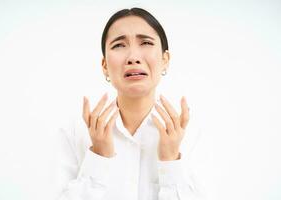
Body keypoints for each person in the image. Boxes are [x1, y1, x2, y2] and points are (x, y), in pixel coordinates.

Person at [56, 7, 207, 200]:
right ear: (105, 66)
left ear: (165, 60)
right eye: (119, 45)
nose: (133, 57)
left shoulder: (192, 134)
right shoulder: (76, 131)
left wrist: (171, 161)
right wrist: (99, 157)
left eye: (145, 42)